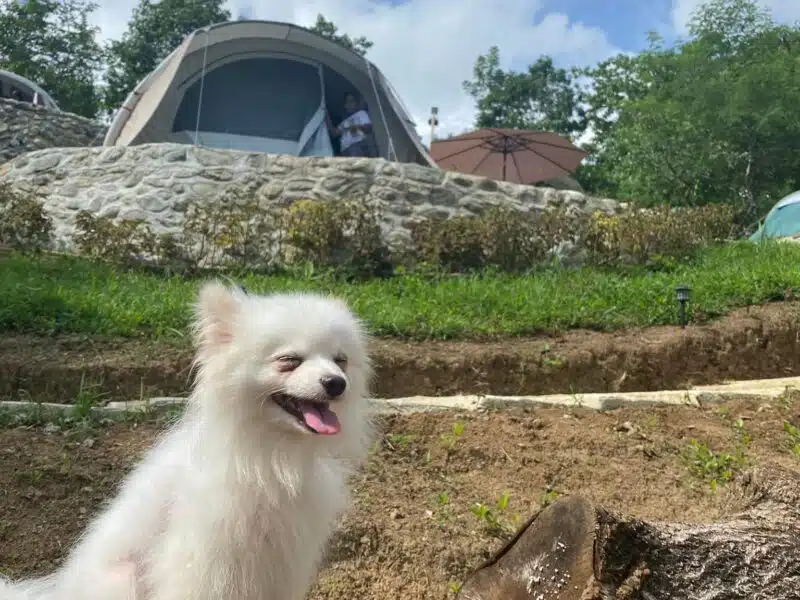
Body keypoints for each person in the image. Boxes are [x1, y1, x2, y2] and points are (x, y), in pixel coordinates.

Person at [329, 92, 374, 157]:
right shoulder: (344, 122)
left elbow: (369, 128)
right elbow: (334, 134)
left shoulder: (361, 113)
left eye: (351, 101)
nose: (349, 104)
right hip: (345, 150)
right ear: (345, 105)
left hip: (357, 146)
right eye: (347, 102)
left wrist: (356, 127)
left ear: (356, 103)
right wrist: (326, 116)